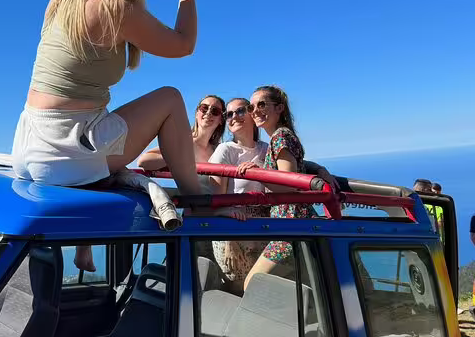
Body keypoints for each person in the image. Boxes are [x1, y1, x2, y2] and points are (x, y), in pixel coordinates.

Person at [10, 0, 202, 272]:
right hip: (67, 153)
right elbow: (183, 43)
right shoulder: (113, 9)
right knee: (170, 99)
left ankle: (85, 243)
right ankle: (201, 201)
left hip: (28, 147)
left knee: (105, 116)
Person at [240, 86, 337, 290]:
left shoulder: (280, 137)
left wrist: (257, 174)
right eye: (251, 106)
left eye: (262, 104)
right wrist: (320, 169)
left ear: (279, 108)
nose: (255, 110)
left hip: (291, 224)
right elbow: (299, 166)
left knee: (252, 284)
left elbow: (289, 183)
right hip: (294, 223)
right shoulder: (281, 136)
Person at [207, 98, 269, 294]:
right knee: (240, 291)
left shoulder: (265, 149)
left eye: (240, 111)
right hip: (233, 234)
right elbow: (218, 202)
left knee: (261, 290)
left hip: (262, 231)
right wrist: (230, 242)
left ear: (252, 114)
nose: (234, 117)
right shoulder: (225, 150)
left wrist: (321, 169)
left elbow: (293, 168)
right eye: (229, 114)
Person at [137, 95, 226, 171]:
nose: (208, 112)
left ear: (221, 120)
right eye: (204, 108)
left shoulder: (219, 150)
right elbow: (143, 161)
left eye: (215, 111)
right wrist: (180, 159)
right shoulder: (184, 142)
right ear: (196, 114)